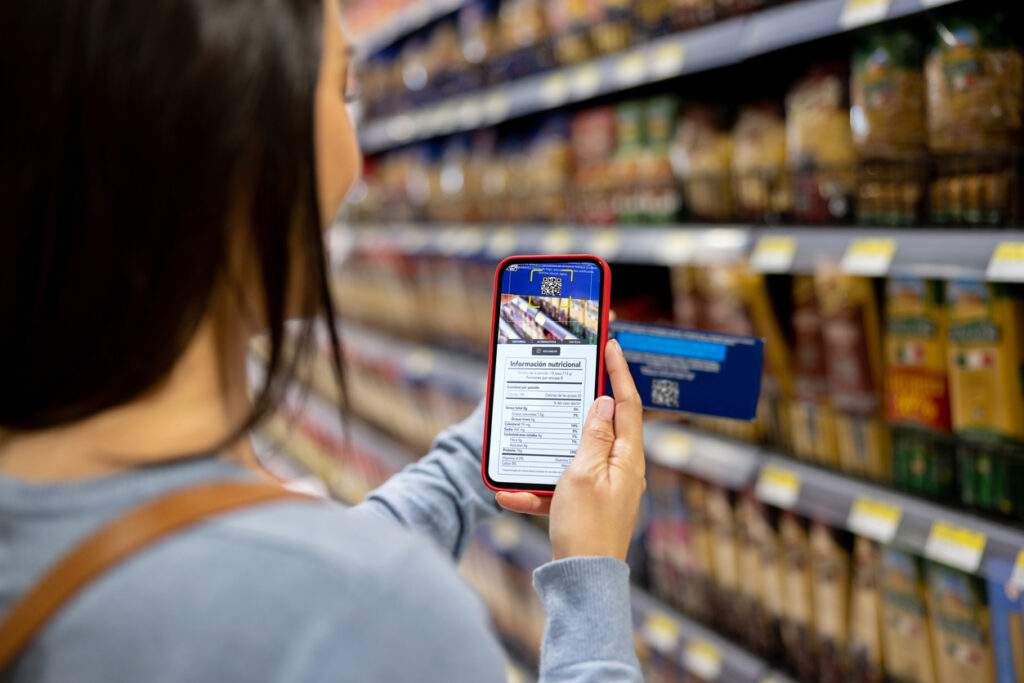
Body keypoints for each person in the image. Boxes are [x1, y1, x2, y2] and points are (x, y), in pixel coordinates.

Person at [0, 1, 647, 681]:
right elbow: (328, 608)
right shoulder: (370, 614)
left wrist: (479, 453)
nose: (357, 161)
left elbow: (269, 589)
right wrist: (590, 576)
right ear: (241, 149)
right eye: (344, 91)